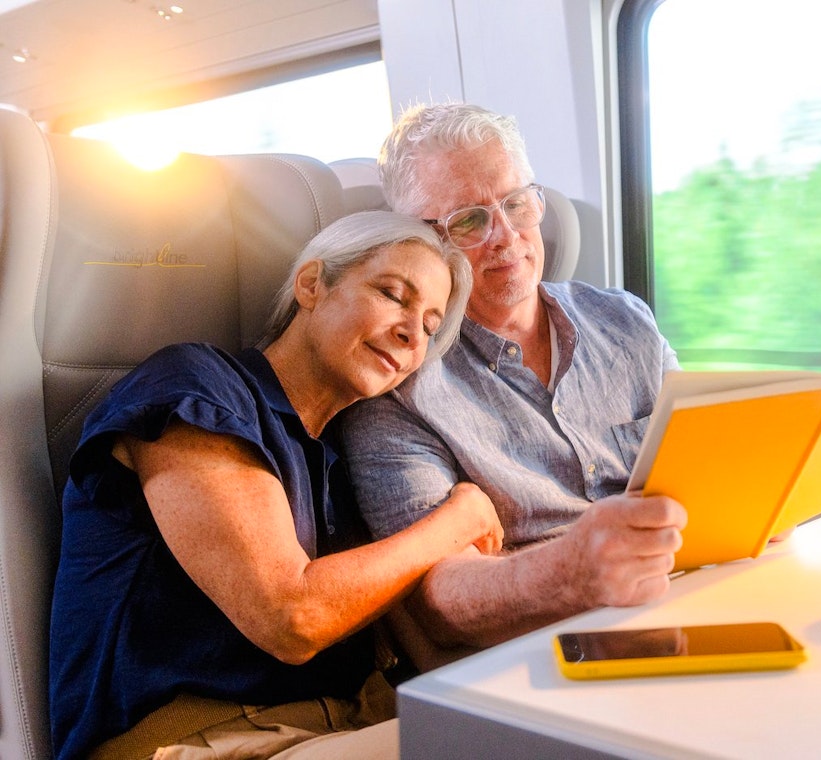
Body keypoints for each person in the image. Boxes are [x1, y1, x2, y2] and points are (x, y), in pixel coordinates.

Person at [48, 210, 503, 760]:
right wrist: (457, 520)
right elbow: (291, 617)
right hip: (199, 742)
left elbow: (420, 647)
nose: (413, 333)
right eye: (392, 294)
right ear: (312, 284)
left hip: (348, 727)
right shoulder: (193, 386)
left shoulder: (338, 460)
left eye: (431, 326)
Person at [339, 103, 686, 659]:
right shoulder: (399, 386)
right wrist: (569, 574)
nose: (505, 235)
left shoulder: (626, 320)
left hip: (692, 594)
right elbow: (435, 597)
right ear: (422, 240)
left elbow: (701, 464)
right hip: (546, 652)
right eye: (470, 220)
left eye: (517, 203)